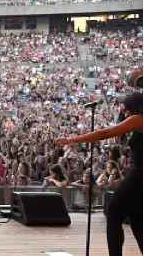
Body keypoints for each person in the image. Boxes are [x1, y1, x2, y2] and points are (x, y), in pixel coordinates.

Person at [55, 92, 143, 256]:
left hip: (139, 174)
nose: (126, 114)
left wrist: (74, 140)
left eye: (127, 110)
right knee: (137, 218)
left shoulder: (139, 119)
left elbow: (105, 133)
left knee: (114, 215)